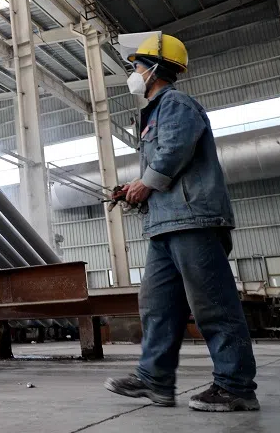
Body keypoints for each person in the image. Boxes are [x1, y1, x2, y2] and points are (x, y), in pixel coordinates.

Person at [103, 33, 259, 412]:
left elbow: (175, 149)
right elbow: (164, 163)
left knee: (213, 306)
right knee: (157, 304)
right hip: (164, 225)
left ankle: (236, 387)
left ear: (155, 69)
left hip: (194, 221)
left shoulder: (176, 103)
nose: (133, 73)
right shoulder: (154, 112)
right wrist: (134, 188)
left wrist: (146, 182)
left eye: (136, 66)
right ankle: (155, 381)